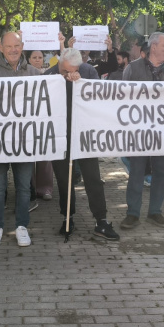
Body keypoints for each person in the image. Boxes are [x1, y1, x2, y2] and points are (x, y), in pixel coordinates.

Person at [45, 48, 120, 240]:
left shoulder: (88, 72)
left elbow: (97, 99)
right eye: (65, 70)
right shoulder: (49, 74)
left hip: (85, 134)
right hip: (60, 135)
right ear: (60, 63)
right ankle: (67, 217)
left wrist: (79, 84)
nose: (69, 73)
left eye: (73, 70)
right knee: (64, 179)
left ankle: (101, 220)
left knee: (93, 177)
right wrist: (64, 82)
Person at [0, 31, 42, 247]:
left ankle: (22, 226)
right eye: (9, 47)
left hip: (24, 141)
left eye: (17, 46)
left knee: (24, 187)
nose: (14, 50)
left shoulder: (35, 72)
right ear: (1, 48)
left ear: (22, 46)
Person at [119, 32, 164, 230]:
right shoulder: (133, 68)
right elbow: (122, 98)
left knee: (161, 172)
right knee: (137, 171)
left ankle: (155, 212)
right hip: (138, 132)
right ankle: (132, 214)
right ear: (153, 47)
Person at [27, 49, 54, 200]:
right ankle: (30, 188)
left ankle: (45, 189)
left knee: (45, 157)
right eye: (34, 57)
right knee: (28, 156)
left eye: (40, 57)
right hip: (28, 121)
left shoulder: (51, 74)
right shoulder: (25, 73)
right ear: (29, 59)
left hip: (45, 120)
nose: (37, 60)